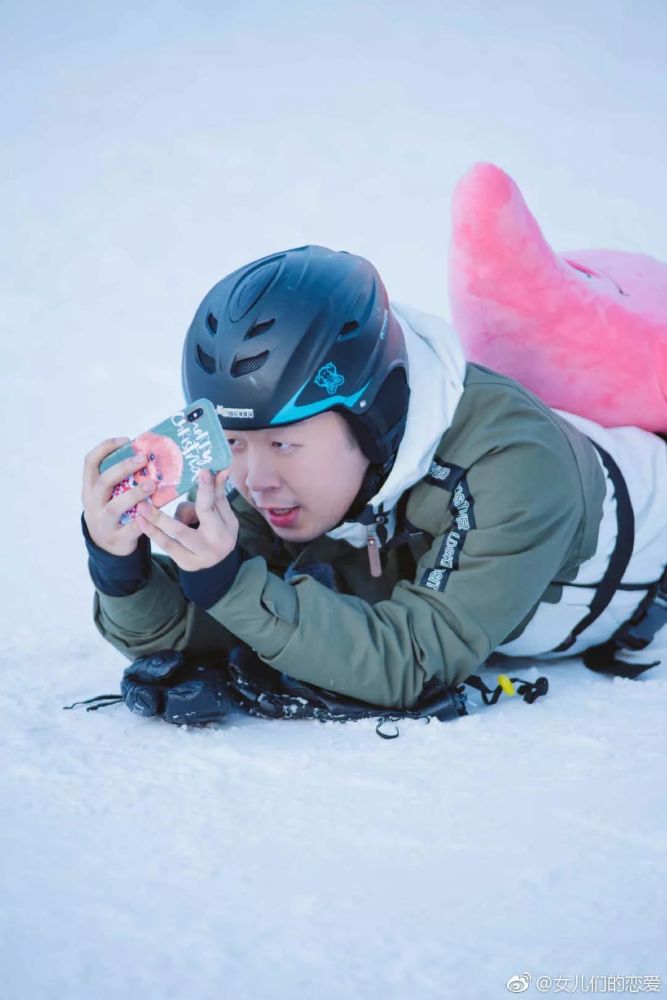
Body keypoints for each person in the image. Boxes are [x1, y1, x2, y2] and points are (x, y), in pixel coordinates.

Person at [81, 245, 667, 712]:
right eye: (234, 443)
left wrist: (231, 584)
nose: (255, 479)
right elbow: (203, 626)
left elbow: (414, 662)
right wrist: (121, 566)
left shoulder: (514, 467)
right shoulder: (300, 478)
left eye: (284, 443)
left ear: (375, 417)